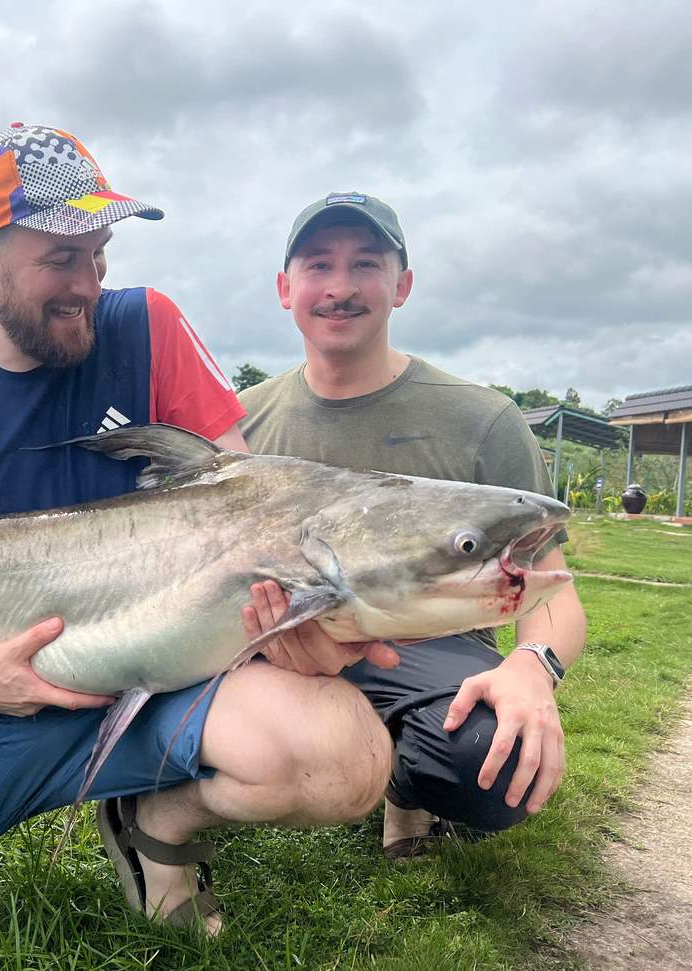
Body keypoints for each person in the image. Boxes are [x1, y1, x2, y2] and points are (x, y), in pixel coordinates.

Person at [0, 127, 395, 971]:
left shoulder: (147, 326)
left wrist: (293, 624)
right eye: (61, 259)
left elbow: (259, 516)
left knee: (344, 758)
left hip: (163, 681)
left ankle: (155, 824)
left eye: (98, 254)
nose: (89, 285)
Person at [237, 193, 588, 857]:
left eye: (365, 264)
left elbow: (555, 588)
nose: (340, 288)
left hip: (426, 645)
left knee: (493, 764)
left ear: (401, 285)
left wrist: (531, 665)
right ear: (285, 289)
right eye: (318, 265)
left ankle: (408, 782)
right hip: (278, 635)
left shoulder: (481, 419)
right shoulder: (239, 421)